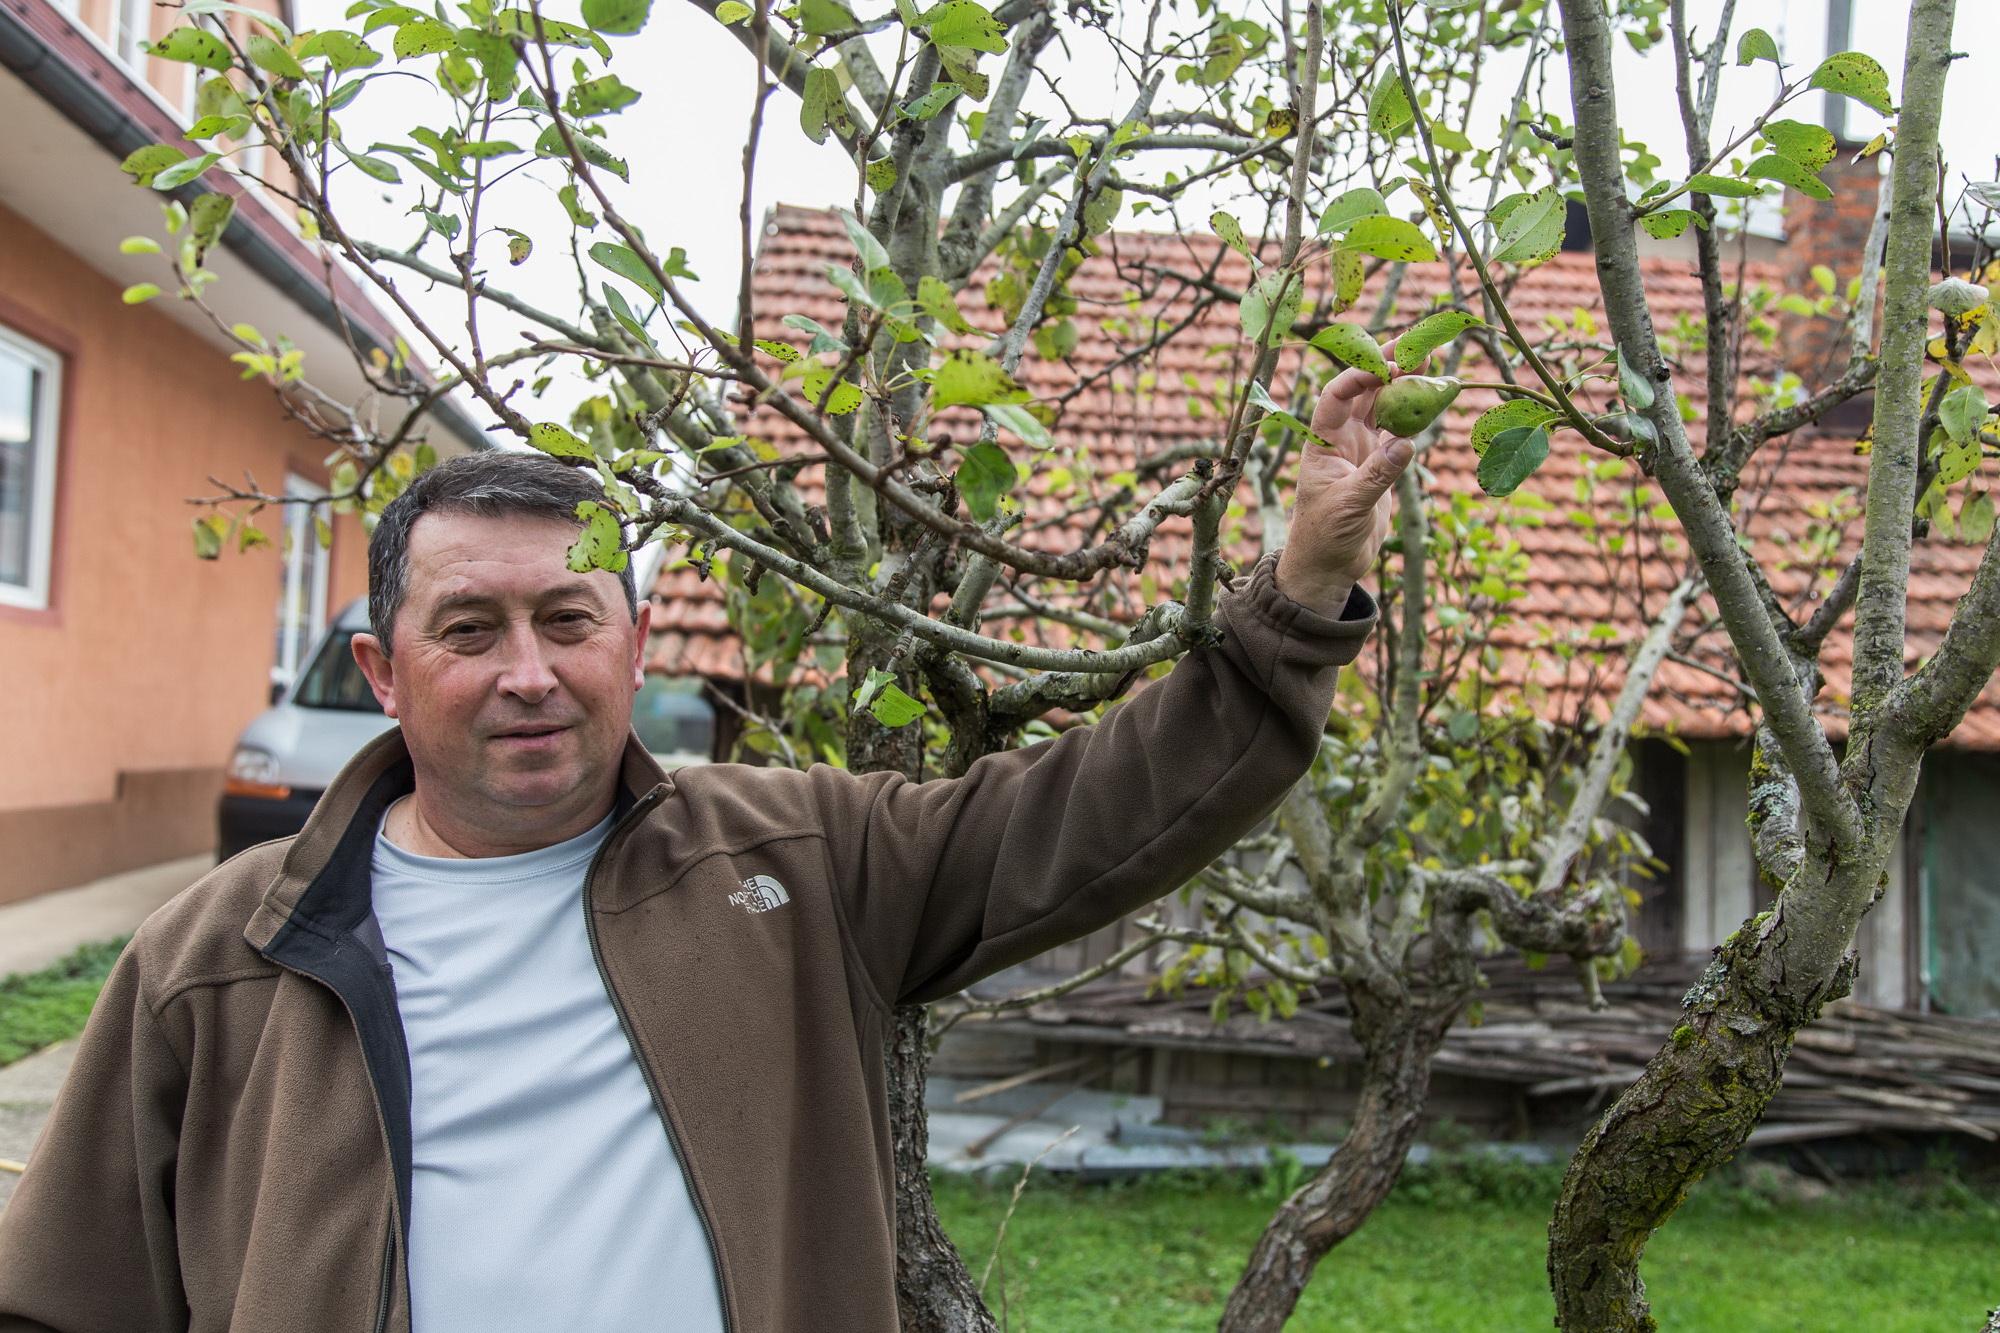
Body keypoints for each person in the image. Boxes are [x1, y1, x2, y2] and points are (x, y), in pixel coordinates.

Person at [0, 368, 1411, 1332]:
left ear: (631, 639)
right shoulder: (221, 957)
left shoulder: (801, 861)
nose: (530, 672)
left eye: (569, 619)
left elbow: (1098, 809)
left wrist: (1294, 597)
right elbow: (60, 1297)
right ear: (382, 667)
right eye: (471, 630)